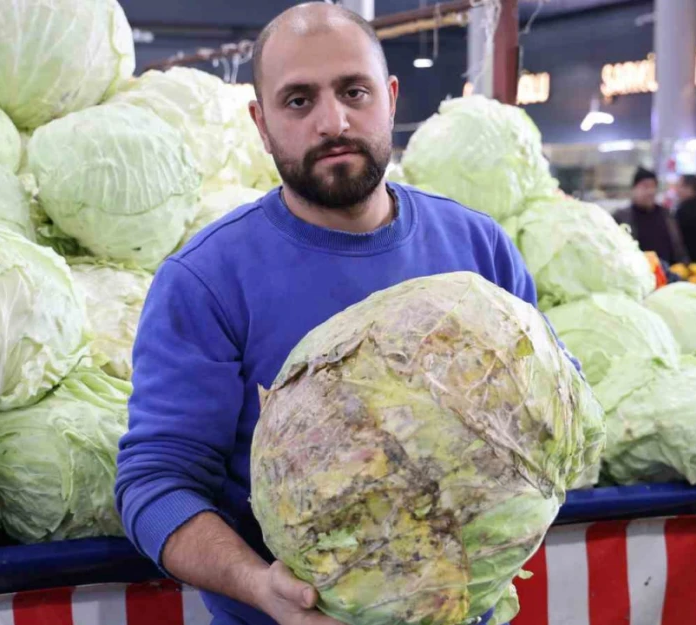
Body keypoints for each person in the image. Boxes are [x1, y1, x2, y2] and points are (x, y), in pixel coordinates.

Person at [114, 4, 567, 625]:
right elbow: (154, 485)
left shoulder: (479, 251)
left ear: (390, 96)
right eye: (298, 101)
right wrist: (256, 584)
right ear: (261, 122)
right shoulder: (205, 279)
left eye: (354, 91)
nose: (333, 121)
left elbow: (553, 417)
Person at [613, 167, 687, 265]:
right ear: (634, 189)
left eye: (653, 186)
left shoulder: (666, 215)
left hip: (668, 274)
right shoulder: (621, 217)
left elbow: (678, 247)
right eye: (645, 186)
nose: (650, 191)